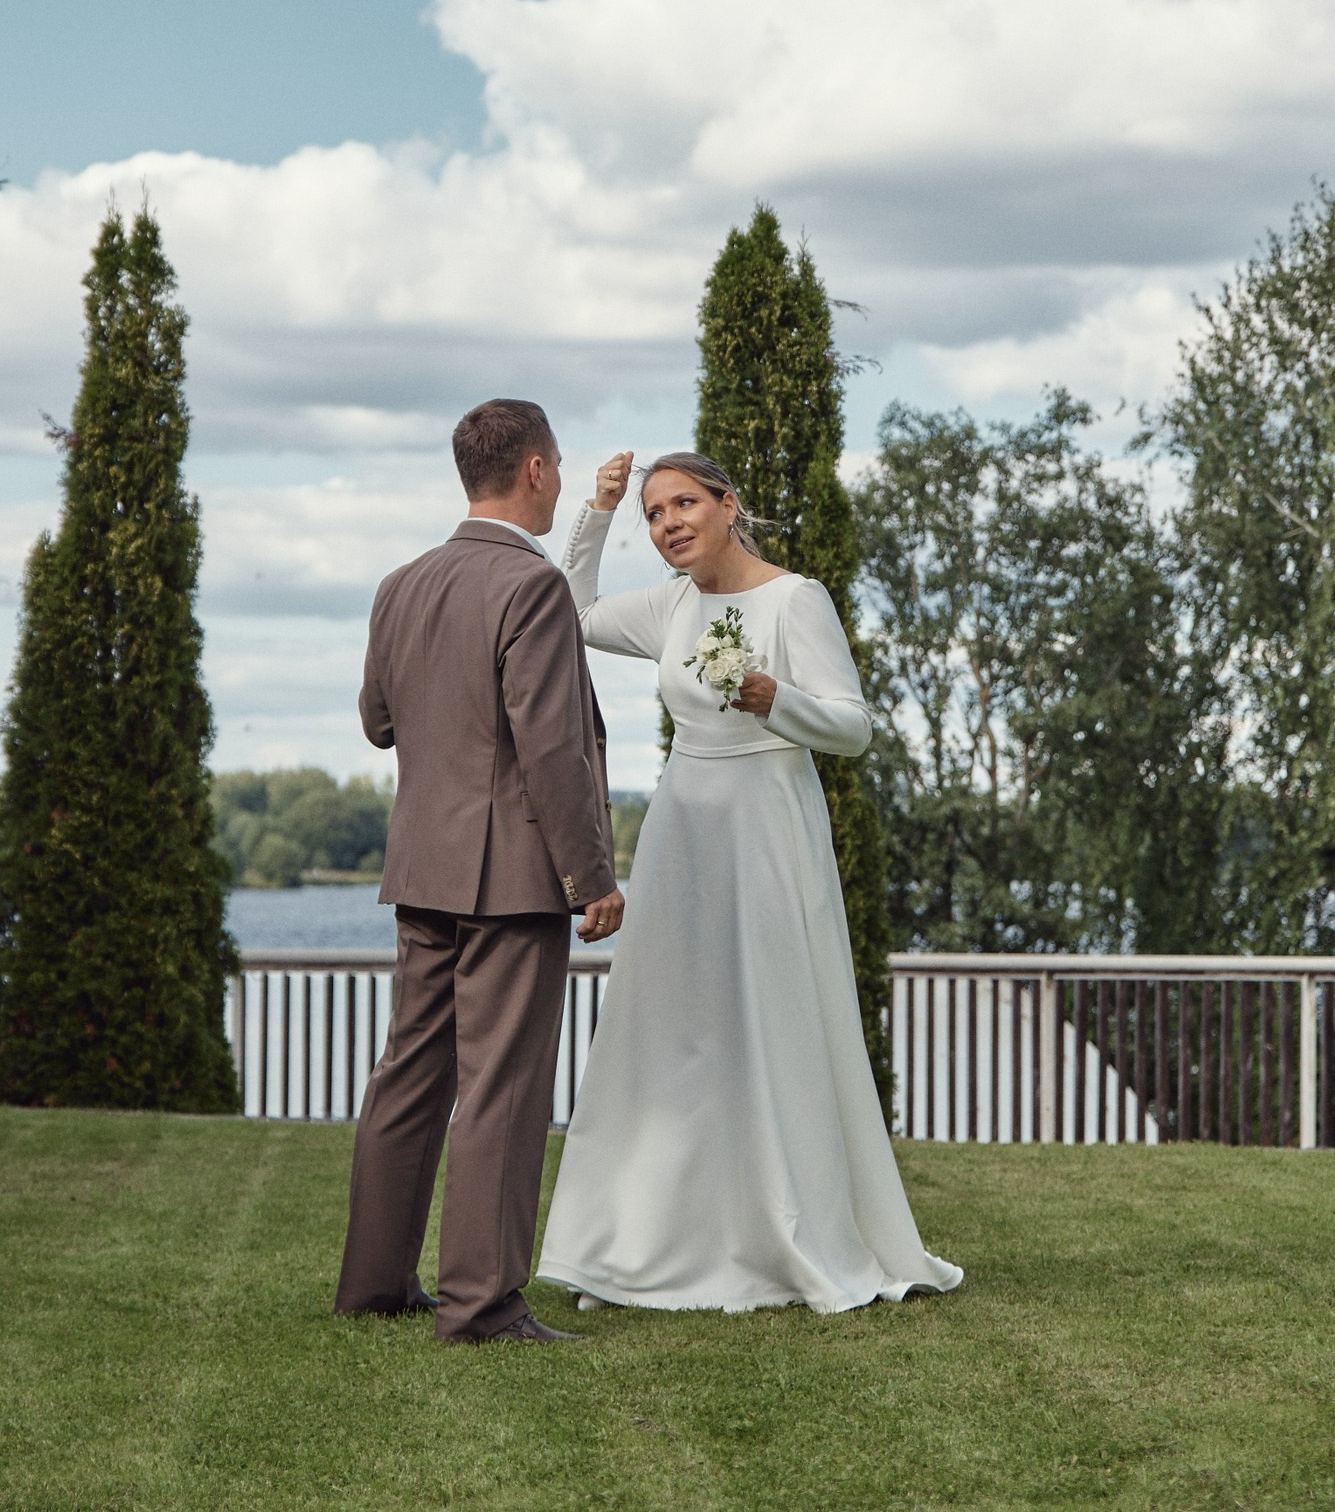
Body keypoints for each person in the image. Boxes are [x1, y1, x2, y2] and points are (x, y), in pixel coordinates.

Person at [536, 451, 962, 1313]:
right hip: (684, 828)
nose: (668, 525)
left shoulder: (795, 599)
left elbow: (854, 728)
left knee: (770, 1020)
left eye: (683, 503)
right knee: (672, 1029)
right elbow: (572, 612)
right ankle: (646, 1241)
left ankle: (783, 1235)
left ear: (729, 505)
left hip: (769, 823)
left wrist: (778, 699)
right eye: (655, 515)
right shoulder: (671, 603)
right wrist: (599, 510)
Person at [333, 398, 627, 1344]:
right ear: (536, 469)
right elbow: (553, 749)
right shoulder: (530, 588)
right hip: (510, 877)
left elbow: (379, 720)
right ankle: (483, 1302)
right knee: (501, 1082)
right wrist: (592, 878)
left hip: (421, 866)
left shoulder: (401, 583)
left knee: (409, 1074)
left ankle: (376, 1284)